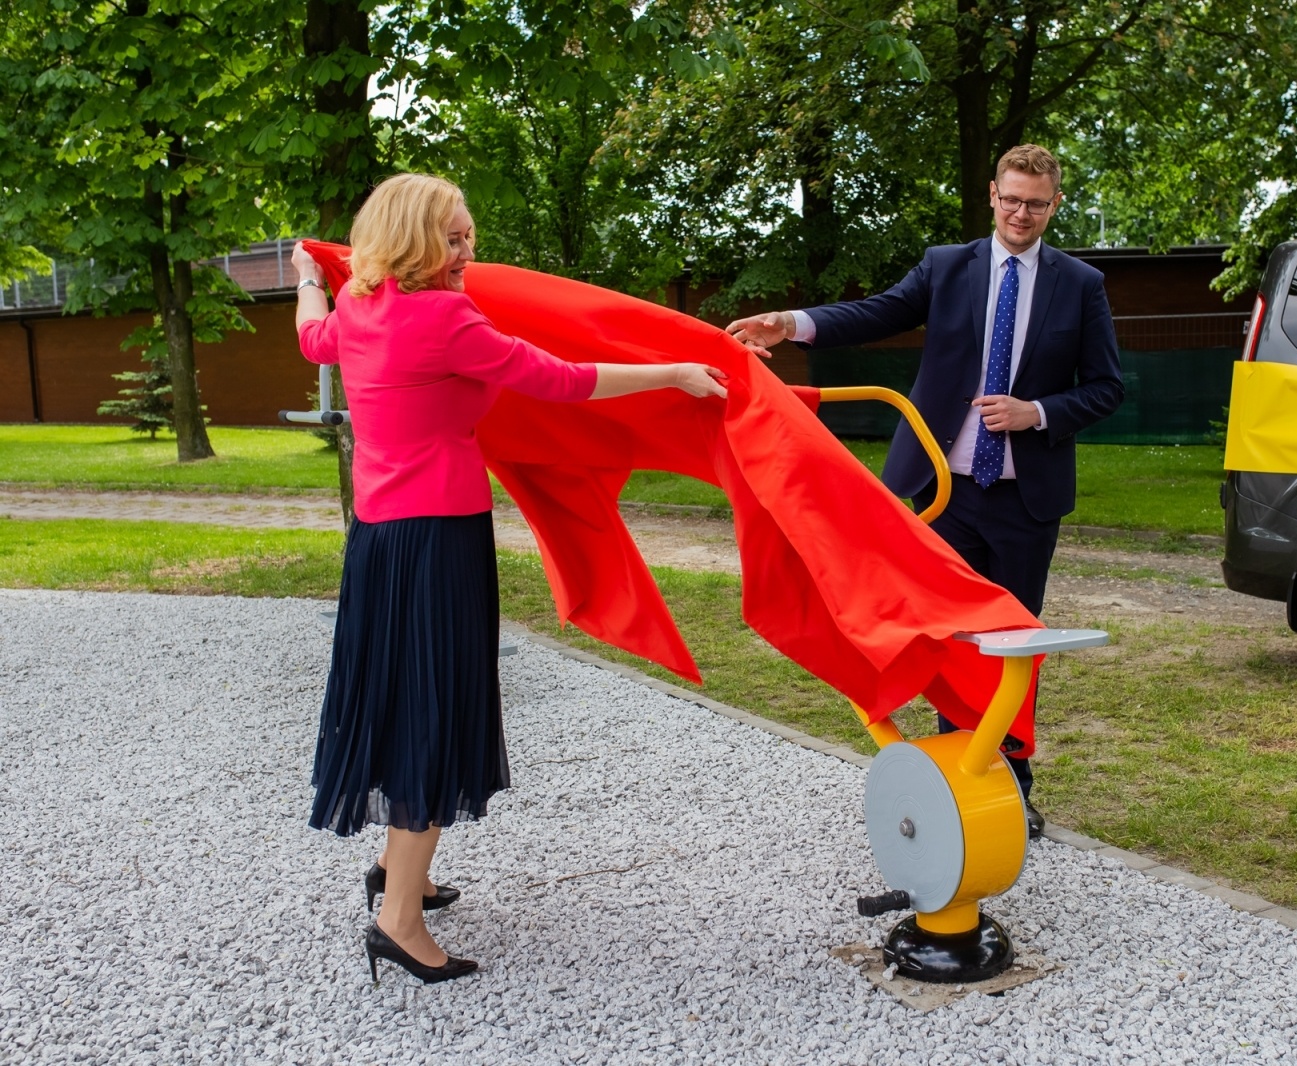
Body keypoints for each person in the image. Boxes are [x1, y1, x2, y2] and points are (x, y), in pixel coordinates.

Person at [292, 173, 727, 984]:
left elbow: (311, 337)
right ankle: (396, 921)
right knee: (435, 713)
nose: (468, 252)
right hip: (439, 541)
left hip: (379, 543)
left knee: (401, 703)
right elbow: (562, 380)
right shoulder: (446, 317)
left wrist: (309, 280)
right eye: (452, 238)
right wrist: (671, 373)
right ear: (415, 242)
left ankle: (397, 875)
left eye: (469, 236)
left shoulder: (361, 308)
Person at [725, 144, 1124, 836]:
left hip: (1027, 499)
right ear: (992, 196)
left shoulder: (1080, 284)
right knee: (951, 641)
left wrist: (1037, 414)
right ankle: (958, 780)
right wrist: (791, 324)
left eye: (1036, 202)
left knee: (1015, 645)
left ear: (1054, 205)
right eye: (1011, 198)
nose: (1021, 212)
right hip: (942, 492)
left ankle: (1013, 788)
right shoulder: (947, 266)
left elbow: (1107, 386)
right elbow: (875, 313)